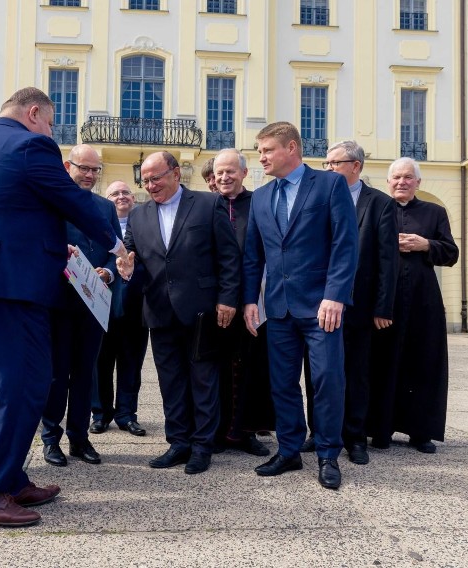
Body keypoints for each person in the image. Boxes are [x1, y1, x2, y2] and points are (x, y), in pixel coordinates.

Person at [0, 88, 127, 527]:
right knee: (25, 383)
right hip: (7, 284)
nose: (51, 132)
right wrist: (117, 244)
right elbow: (74, 200)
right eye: (50, 123)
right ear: (33, 113)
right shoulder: (30, 144)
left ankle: (7, 478)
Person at [242, 122, 358, 490]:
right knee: (282, 384)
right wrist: (249, 300)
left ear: (291, 148)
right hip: (277, 308)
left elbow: (345, 243)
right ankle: (289, 451)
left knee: (326, 381)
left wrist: (335, 294)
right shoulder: (260, 197)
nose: (261, 158)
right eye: (259, 152)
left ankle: (327, 454)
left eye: (267, 151)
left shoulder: (329, 184)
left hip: (321, 306)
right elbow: (252, 255)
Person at [117, 151, 240, 475]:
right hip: (158, 311)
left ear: (175, 173)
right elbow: (134, 259)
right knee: (170, 381)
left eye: (155, 178)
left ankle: (202, 446)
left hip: (201, 310)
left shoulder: (207, 204)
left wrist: (228, 298)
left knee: (203, 380)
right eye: (145, 180)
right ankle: (179, 442)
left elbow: (229, 256)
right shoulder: (139, 215)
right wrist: (127, 269)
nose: (150, 184)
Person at [300, 141, 399, 465]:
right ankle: (318, 432)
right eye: (326, 163)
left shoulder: (380, 204)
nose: (327, 168)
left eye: (334, 163)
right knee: (317, 372)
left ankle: (355, 437)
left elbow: (387, 260)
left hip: (358, 305)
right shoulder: (316, 197)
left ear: (355, 166)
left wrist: (383, 307)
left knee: (355, 373)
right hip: (316, 301)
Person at [367, 157, 458, 454]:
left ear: (418, 182)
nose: (401, 182)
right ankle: (379, 429)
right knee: (382, 363)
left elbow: (451, 253)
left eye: (408, 177)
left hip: (423, 299)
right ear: (388, 182)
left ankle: (421, 432)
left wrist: (426, 245)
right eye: (396, 177)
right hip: (384, 300)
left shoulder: (435, 212)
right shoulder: (376, 207)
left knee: (423, 362)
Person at [41, 144, 120, 467]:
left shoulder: (105, 207)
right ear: (67, 166)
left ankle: (79, 438)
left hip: (94, 305)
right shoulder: (51, 205)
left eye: (94, 170)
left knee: (86, 373)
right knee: (58, 375)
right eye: (83, 168)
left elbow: (118, 251)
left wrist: (108, 272)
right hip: (59, 302)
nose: (89, 175)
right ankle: (50, 439)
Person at [212, 149, 274, 456]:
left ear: (244, 174)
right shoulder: (207, 205)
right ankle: (218, 430)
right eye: (219, 172)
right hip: (218, 301)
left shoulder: (260, 204)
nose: (224, 177)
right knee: (218, 368)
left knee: (252, 368)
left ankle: (246, 431)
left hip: (254, 299)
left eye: (231, 172)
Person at [92, 181, 149, 437]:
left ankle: (127, 414)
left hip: (136, 307)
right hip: (102, 306)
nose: (121, 196)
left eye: (126, 192)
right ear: (106, 200)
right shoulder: (97, 227)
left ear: (134, 200)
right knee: (100, 363)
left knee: (131, 364)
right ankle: (100, 414)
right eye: (114, 193)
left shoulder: (144, 227)